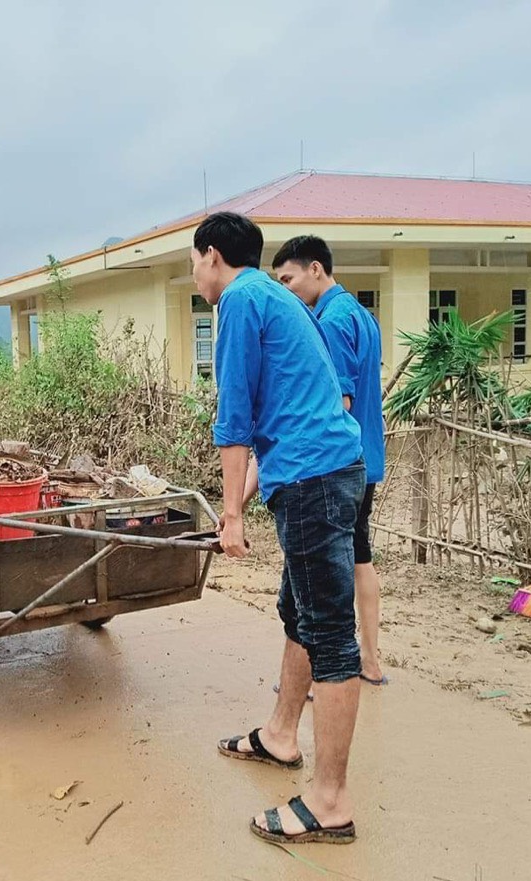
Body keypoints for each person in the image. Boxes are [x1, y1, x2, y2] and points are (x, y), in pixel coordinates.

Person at [194, 211, 366, 845]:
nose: (195, 275)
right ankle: (280, 736)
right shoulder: (273, 297)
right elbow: (281, 410)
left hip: (314, 480)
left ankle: (330, 801)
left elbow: (234, 415)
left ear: (211, 256)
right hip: (318, 470)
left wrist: (233, 516)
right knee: (301, 615)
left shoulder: (239, 298)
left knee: (330, 635)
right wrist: (231, 504)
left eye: (193, 262)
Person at [272, 235, 387, 686]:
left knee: (314, 575)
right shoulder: (360, 314)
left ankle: (322, 675)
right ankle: (371, 661)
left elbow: (334, 401)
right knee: (359, 556)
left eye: (289, 278)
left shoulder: (331, 321)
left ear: (315, 269)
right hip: (366, 459)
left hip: (332, 466)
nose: (286, 290)